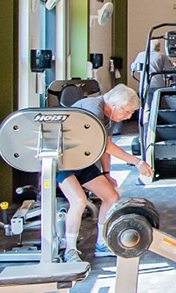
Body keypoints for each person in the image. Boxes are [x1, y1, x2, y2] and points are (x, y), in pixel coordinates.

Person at [63, 85, 154, 258]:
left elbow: (105, 146)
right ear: (114, 105)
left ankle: (102, 244)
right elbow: (102, 143)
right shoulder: (93, 108)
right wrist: (136, 162)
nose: (128, 117)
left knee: (111, 196)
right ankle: (70, 249)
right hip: (62, 162)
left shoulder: (110, 117)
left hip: (82, 161)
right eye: (126, 112)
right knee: (79, 200)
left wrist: (106, 174)